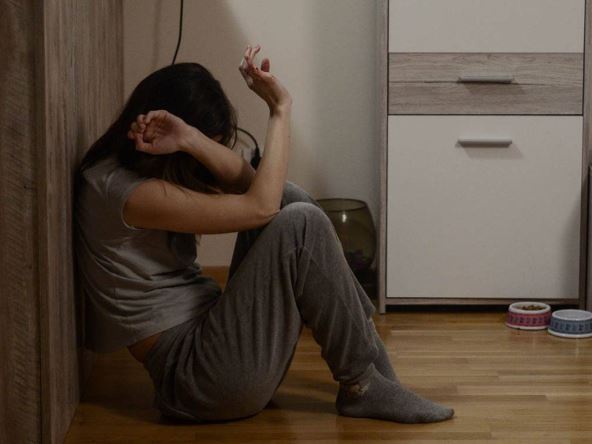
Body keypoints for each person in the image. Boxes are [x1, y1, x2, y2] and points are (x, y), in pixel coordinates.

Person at [74, 44, 454, 424]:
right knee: (299, 221)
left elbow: (251, 184)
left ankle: (372, 375)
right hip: (198, 379)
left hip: (212, 345)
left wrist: (190, 138)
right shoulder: (127, 193)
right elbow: (261, 206)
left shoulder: (125, 172)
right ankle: (364, 384)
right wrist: (280, 109)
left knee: (290, 197)